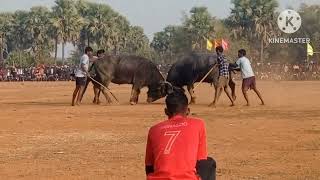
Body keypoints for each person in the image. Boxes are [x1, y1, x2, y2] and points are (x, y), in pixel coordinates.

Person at [145, 90, 216, 180]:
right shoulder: (198, 124)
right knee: (209, 163)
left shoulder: (154, 129)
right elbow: (201, 161)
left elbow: (149, 167)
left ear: (166, 111)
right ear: (188, 111)